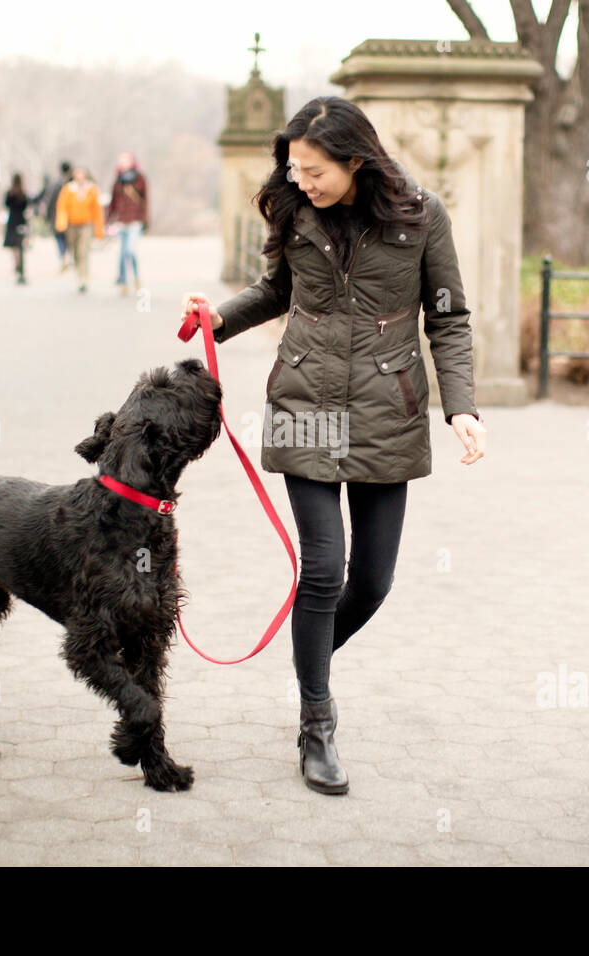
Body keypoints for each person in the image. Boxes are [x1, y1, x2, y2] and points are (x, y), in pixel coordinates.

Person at [179, 96, 487, 796]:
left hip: (389, 409)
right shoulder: (294, 212)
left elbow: (449, 317)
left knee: (372, 582)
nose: (301, 182)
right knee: (323, 571)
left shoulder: (421, 215)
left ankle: (307, 662)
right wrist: (215, 318)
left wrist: (461, 408)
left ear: (355, 161)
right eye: (293, 169)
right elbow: (276, 291)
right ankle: (317, 724)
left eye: (314, 170)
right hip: (304, 403)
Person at [55, 166, 106, 293]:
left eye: (82, 174)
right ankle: (78, 273)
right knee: (76, 252)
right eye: (77, 174)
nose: (80, 177)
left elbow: (97, 211)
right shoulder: (68, 189)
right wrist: (61, 224)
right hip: (72, 225)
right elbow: (62, 207)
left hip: (86, 225)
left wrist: (99, 230)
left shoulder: (92, 189)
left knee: (84, 252)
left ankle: (84, 279)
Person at [106, 151, 149, 295]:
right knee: (122, 253)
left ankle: (136, 278)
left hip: (135, 219)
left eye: (125, 160)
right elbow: (113, 202)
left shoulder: (140, 179)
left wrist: (145, 219)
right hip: (121, 220)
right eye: (121, 160)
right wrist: (108, 221)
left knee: (130, 250)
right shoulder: (118, 180)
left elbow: (146, 200)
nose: (123, 162)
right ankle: (123, 282)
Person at [43, 161, 74, 269]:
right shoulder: (72, 183)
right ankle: (68, 256)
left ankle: (64, 256)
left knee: (60, 238)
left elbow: (50, 201)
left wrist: (47, 216)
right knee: (68, 238)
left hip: (58, 217)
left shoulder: (57, 184)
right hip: (70, 217)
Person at [2, 173, 31, 284]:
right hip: (21, 221)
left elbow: (6, 205)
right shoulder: (23, 194)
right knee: (20, 246)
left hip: (12, 221)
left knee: (15, 247)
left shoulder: (10, 193)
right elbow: (26, 206)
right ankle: (20, 267)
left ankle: (18, 265)